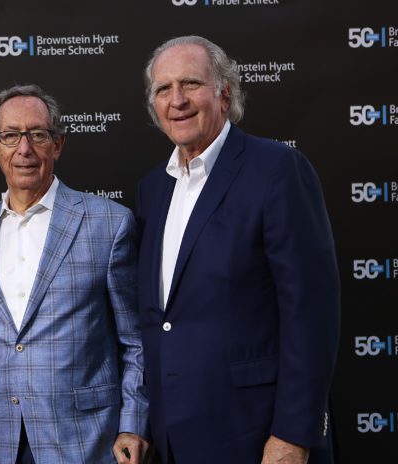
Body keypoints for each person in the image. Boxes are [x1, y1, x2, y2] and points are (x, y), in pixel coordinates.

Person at [136, 36, 340, 464]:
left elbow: (311, 313)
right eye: (163, 89)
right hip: (173, 437)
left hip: (257, 435)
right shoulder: (154, 188)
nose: (177, 100)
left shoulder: (277, 169)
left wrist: (293, 434)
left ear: (224, 93)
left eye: (191, 83)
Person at [0, 84, 149, 463]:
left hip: (87, 441)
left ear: (57, 145)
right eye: (10, 136)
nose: (24, 149)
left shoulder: (108, 223)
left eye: (38, 135)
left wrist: (133, 423)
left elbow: (136, 340)